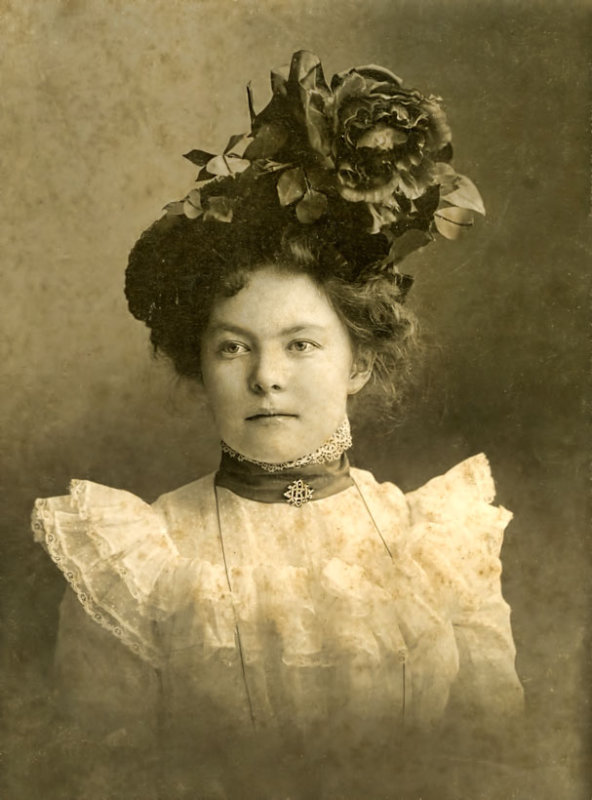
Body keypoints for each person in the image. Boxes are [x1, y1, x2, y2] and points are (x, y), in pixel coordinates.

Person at [32, 51, 523, 800]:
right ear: (200, 365)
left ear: (357, 361)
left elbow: (501, 762)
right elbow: (97, 779)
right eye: (234, 347)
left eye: (301, 345)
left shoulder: (438, 543)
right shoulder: (141, 560)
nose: (266, 376)